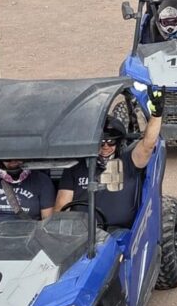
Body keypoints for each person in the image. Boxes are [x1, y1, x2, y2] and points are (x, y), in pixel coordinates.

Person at [55, 89, 165, 228]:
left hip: (120, 235)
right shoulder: (76, 167)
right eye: (101, 143)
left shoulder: (128, 162)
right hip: (83, 234)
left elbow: (147, 145)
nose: (106, 146)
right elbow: (61, 207)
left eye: (111, 142)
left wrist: (156, 115)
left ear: (118, 142)